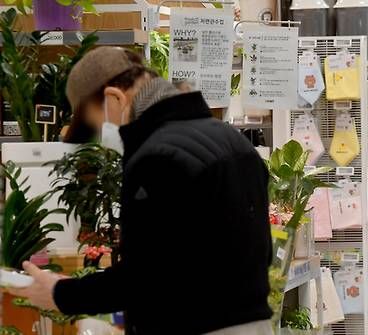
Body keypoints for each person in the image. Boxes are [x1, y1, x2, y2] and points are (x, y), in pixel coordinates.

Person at [9, 47, 273, 335]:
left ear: (115, 98)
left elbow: (145, 275)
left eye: (96, 124)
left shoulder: (157, 157)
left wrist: (61, 293)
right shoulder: (234, 142)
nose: (102, 136)